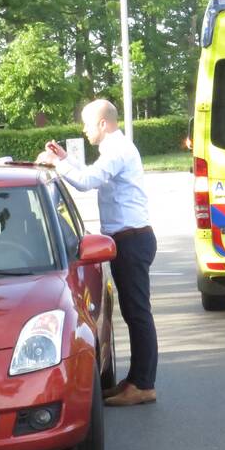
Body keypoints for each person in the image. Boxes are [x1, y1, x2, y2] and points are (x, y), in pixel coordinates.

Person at [41, 99, 158, 407]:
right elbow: (90, 173)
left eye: (87, 124)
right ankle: (136, 380)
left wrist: (58, 165)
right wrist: (67, 160)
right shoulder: (113, 150)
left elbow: (88, 182)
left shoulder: (118, 150)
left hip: (132, 240)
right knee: (134, 313)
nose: (84, 129)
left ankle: (144, 384)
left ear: (103, 124)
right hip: (129, 239)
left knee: (137, 313)